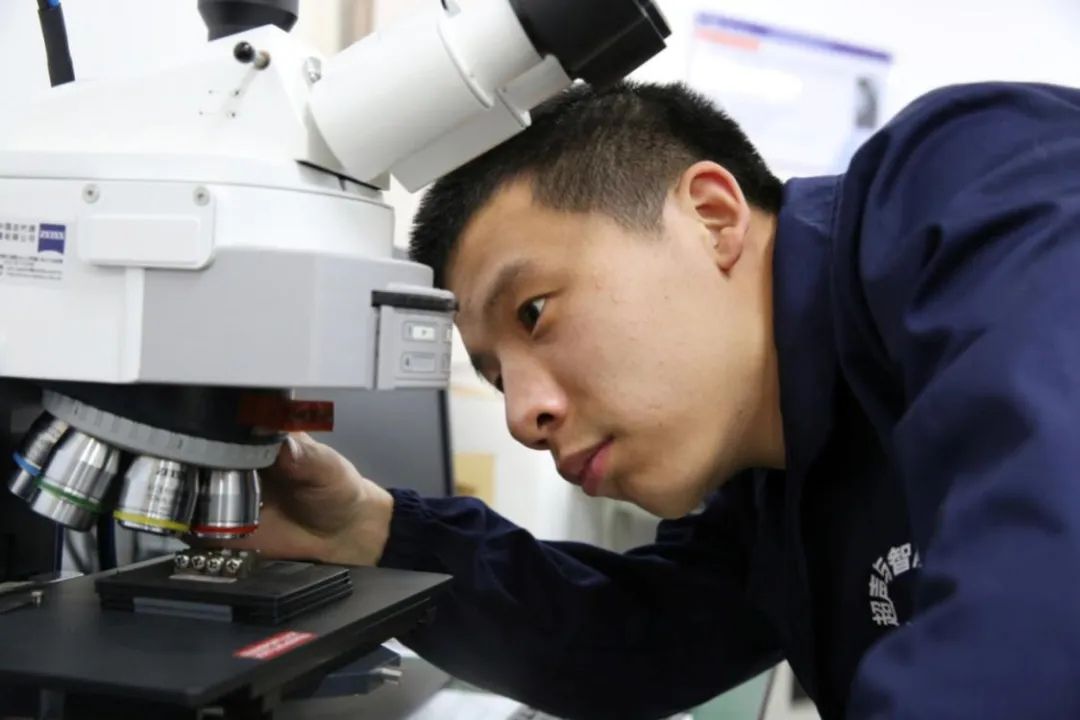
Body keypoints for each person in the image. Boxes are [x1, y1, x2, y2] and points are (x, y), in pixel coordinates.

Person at [232, 80, 1080, 719]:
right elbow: (631, 639)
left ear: (711, 216)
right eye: (494, 377)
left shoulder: (976, 179)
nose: (523, 416)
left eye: (535, 312)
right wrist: (367, 531)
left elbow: (1043, 568)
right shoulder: (773, 487)